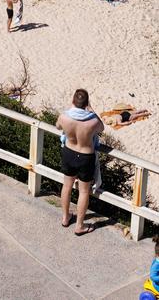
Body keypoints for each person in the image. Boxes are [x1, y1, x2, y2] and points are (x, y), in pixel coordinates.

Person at [56, 88, 104, 235]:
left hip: (69, 153)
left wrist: (70, 109)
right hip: (85, 156)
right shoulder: (92, 120)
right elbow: (102, 128)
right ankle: (79, 226)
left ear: (73, 101)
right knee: (84, 191)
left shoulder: (65, 117)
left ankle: (65, 218)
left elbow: (58, 126)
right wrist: (92, 110)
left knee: (67, 186)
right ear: (87, 103)